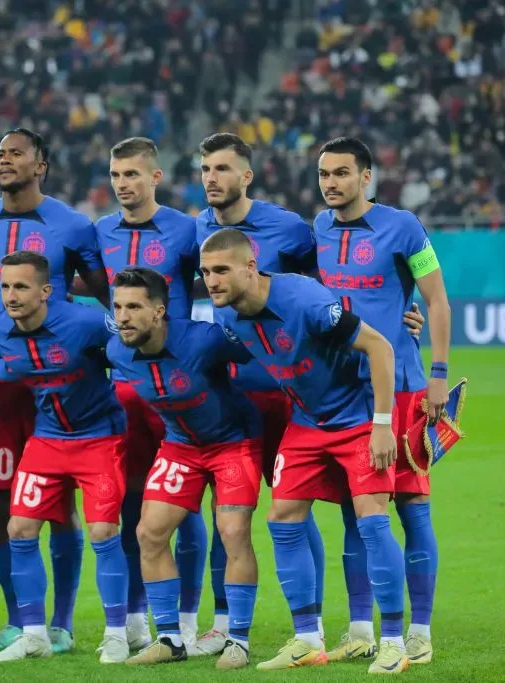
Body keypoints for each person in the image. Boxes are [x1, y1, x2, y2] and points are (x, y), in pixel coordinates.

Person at [200, 228, 410, 674]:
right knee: (283, 518)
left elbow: (378, 346)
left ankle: (394, 641)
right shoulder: (229, 319)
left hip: (356, 418)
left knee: (372, 520)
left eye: (221, 270)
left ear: (250, 267)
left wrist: (382, 425)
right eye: (205, 272)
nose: (211, 280)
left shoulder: (304, 299)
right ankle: (307, 639)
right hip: (307, 423)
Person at [0, 128, 111, 654]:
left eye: (16, 153)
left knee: (62, 507)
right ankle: (17, 620)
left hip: (63, 388)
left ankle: (63, 621)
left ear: (41, 165)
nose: (4, 159)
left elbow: (105, 296)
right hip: (6, 384)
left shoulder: (74, 224)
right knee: (6, 504)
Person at [314, 137, 451, 665]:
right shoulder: (318, 230)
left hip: (405, 388)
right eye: (325, 174)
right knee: (356, 512)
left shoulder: (404, 227)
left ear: (366, 176)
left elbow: (436, 299)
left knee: (413, 507)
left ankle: (419, 630)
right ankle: (358, 627)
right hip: (346, 391)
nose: (331, 183)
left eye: (342, 173)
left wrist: (438, 374)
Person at [0, 251, 130, 664]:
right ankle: (34, 634)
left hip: (99, 437)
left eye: (21, 286)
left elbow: (130, 341)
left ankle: (117, 634)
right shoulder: (0, 330)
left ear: (46, 291)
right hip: (48, 440)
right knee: (18, 528)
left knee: (104, 531)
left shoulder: (85, 323)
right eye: (4, 287)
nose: (11, 295)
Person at [192, 132, 327, 653]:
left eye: (222, 168)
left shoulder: (288, 229)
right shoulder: (199, 228)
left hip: (284, 392)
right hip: (229, 394)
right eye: (205, 168)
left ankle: (308, 625)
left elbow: (330, 289)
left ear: (246, 176)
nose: (211, 178)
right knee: (224, 511)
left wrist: (399, 315)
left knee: (295, 509)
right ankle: (224, 625)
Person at [107, 268, 262, 670]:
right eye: (118, 306)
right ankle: (171, 638)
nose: (123, 316)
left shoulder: (204, 339)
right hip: (180, 447)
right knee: (149, 532)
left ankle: (238, 640)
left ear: (159, 311)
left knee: (232, 532)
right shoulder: (116, 350)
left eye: (134, 307)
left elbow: (263, 347)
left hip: (233, 443)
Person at [92, 137, 208, 650]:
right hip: (126, 385)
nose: (123, 184)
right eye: (116, 176)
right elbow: (102, 292)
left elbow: (218, 282)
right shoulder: (99, 232)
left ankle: (187, 617)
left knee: (189, 506)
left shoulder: (187, 229)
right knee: (133, 500)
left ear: (155, 178)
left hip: (178, 385)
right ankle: (138, 616)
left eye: (132, 175)